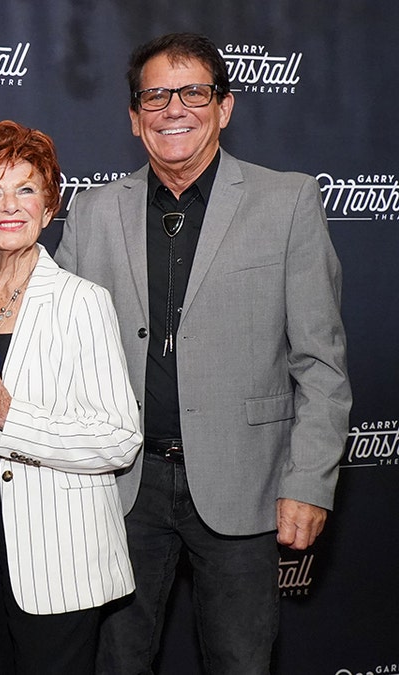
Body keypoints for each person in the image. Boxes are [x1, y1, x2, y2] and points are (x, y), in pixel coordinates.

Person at [56, 32, 352, 674]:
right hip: (121, 490)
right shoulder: (93, 213)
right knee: (115, 663)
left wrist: (310, 482)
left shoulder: (288, 202)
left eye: (193, 91)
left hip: (246, 483)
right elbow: (57, 347)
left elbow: (321, 366)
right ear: (134, 118)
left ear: (225, 106)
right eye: (155, 95)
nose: (174, 108)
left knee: (241, 663)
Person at [0, 120, 143, 674]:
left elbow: (119, 439)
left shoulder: (83, 302)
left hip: (55, 548)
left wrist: (11, 413)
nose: (9, 205)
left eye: (26, 189)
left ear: (49, 208)